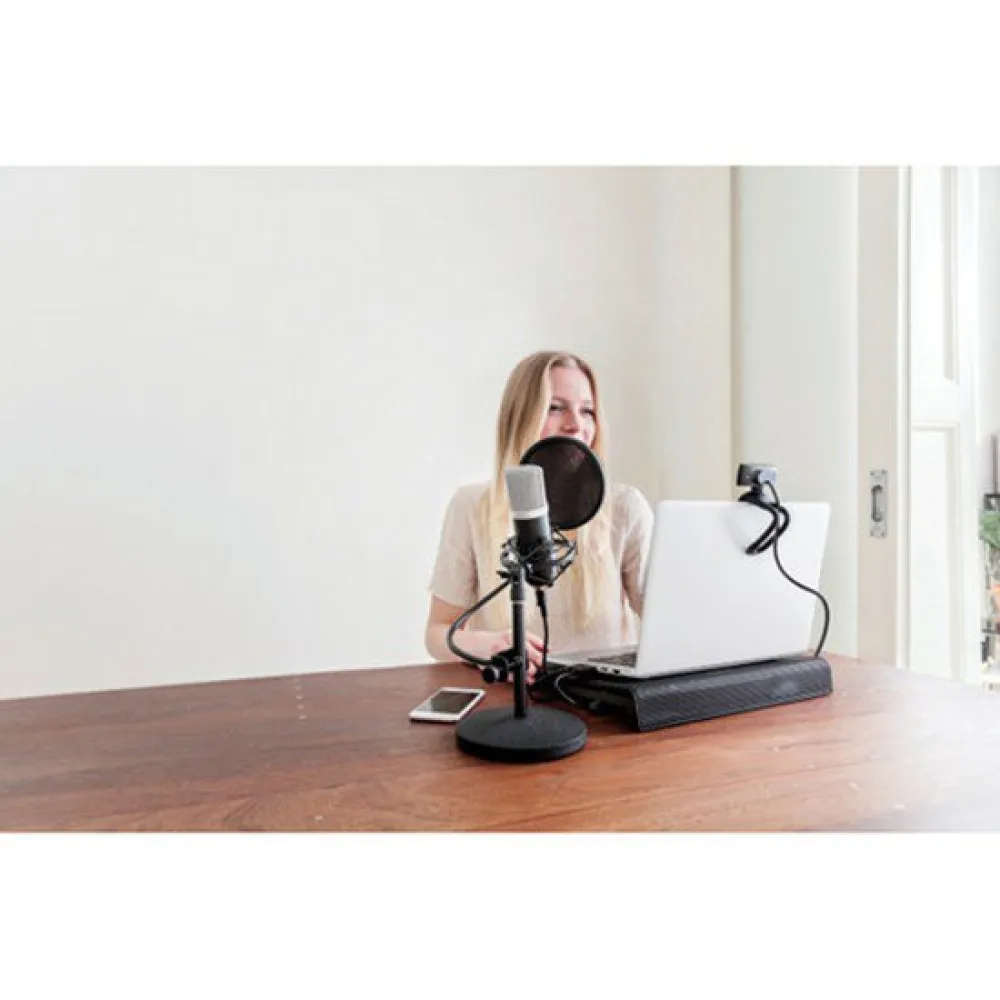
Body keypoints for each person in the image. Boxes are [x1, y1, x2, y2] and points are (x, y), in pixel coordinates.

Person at [424, 350, 654, 683]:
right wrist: (484, 645)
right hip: (511, 697)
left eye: (587, 411)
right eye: (555, 408)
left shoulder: (625, 507)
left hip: (604, 700)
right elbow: (437, 633)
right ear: (519, 419)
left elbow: (669, 622)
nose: (576, 425)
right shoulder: (471, 506)